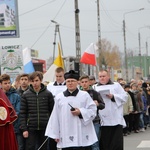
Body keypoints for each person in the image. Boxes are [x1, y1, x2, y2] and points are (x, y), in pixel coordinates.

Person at [45, 70, 98, 150]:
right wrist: (55, 134)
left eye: (72, 81)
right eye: (68, 81)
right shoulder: (59, 97)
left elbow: (93, 111)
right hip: (65, 132)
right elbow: (55, 116)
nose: (70, 83)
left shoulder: (84, 95)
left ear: (77, 82)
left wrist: (80, 112)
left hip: (82, 132)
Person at [93, 69, 127, 150]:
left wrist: (113, 96)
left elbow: (125, 97)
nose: (102, 78)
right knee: (104, 143)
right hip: (102, 119)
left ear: (108, 76)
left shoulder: (116, 85)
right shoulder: (94, 87)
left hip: (115, 118)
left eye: (104, 76)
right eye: (100, 77)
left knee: (116, 143)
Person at [20, 71, 54, 150]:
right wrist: (24, 129)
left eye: (36, 80)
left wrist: (52, 127)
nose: (34, 83)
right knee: (30, 147)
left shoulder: (48, 94)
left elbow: (52, 112)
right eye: (32, 81)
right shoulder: (26, 95)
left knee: (44, 147)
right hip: (31, 127)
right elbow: (23, 113)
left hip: (45, 126)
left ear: (41, 80)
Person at [79, 75, 105, 150]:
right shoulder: (78, 94)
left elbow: (103, 105)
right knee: (83, 143)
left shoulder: (95, 93)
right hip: (82, 121)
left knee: (95, 143)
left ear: (89, 82)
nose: (84, 84)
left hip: (94, 121)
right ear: (80, 83)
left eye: (86, 82)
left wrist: (97, 104)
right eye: (82, 82)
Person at [0, 74, 21, 149]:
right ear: (1, 84)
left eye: (9, 83)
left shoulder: (16, 96)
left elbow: (17, 112)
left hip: (11, 125)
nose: (7, 85)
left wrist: (9, 119)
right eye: (5, 83)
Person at [16, 73, 30, 150]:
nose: (24, 81)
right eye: (22, 79)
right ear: (19, 81)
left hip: (29, 122)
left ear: (28, 81)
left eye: (25, 79)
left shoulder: (31, 92)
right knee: (20, 146)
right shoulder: (16, 93)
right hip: (18, 124)